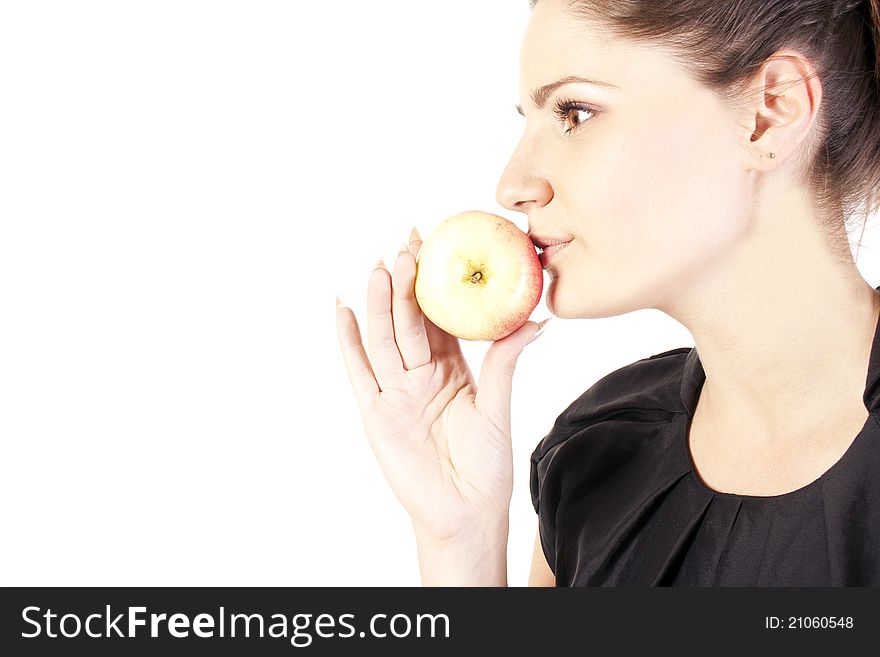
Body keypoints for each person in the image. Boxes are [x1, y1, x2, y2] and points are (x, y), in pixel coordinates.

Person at [335, 0, 880, 586]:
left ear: (769, 113)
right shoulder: (594, 458)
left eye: (575, 112)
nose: (512, 185)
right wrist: (459, 540)